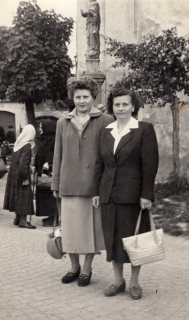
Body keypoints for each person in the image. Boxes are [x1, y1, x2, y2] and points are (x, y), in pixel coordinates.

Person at [92, 87, 159, 299]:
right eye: (117, 104)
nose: (120, 108)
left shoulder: (143, 129)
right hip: (108, 194)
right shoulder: (106, 131)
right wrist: (96, 191)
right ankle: (118, 280)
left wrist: (147, 194)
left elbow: (150, 164)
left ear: (133, 106)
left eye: (125, 104)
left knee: (134, 239)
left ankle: (135, 282)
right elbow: (99, 164)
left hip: (133, 196)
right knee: (112, 239)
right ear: (112, 107)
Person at [52, 78, 113, 286]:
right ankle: (73, 267)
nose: (81, 101)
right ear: (73, 98)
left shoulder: (105, 120)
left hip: (92, 186)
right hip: (68, 185)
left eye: (85, 96)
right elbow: (57, 155)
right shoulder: (62, 122)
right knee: (69, 230)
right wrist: (55, 183)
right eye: (77, 97)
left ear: (93, 97)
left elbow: (108, 155)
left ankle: (87, 268)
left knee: (90, 230)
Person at [3, 124, 36, 229]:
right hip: (21, 174)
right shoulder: (27, 146)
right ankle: (23, 221)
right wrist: (25, 178)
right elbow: (23, 164)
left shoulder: (18, 144)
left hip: (14, 174)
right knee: (24, 197)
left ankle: (17, 218)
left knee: (17, 196)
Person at [34, 119, 57, 227]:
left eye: (41, 127)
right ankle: (48, 214)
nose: (40, 129)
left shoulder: (55, 138)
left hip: (49, 170)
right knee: (43, 194)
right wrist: (35, 165)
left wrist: (49, 162)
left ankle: (53, 217)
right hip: (41, 170)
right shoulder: (42, 138)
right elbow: (39, 152)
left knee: (49, 195)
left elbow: (56, 152)